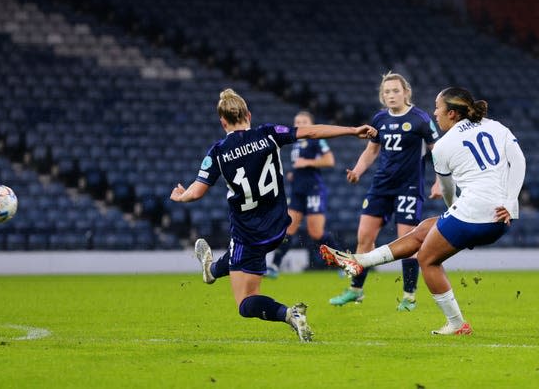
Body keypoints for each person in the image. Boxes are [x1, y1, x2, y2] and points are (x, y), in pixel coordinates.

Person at [170, 88, 376, 342]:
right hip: (279, 227)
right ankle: (211, 270)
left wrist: (182, 196)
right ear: (248, 114)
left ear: (222, 122)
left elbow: (197, 191)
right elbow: (311, 132)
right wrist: (352, 130)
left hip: (248, 234)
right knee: (242, 257)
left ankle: (289, 314)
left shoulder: (218, 152)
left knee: (245, 303)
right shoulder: (268, 134)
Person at [321, 87, 525, 335]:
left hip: (471, 214)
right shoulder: (495, 126)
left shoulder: (443, 146)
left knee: (428, 259)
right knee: (425, 229)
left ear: (451, 113)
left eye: (437, 108)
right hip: (498, 215)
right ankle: (359, 261)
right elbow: (519, 159)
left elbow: (449, 193)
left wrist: (454, 215)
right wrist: (511, 203)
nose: (434, 113)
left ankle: (457, 324)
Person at [329, 72, 440, 311]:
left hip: (409, 186)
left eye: (395, 91)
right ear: (382, 95)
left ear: (406, 92)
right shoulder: (379, 119)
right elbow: (371, 151)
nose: (391, 95)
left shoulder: (420, 119)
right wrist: (358, 171)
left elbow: (438, 151)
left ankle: (409, 296)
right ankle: (355, 290)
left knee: (407, 241)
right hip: (381, 185)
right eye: (387, 92)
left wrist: (439, 181)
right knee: (364, 238)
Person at [266, 111, 335, 279]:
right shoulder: (295, 142)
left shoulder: (317, 139)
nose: (300, 123)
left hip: (313, 190)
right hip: (297, 191)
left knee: (316, 233)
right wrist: (294, 173)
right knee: (287, 229)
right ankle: (274, 265)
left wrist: (307, 163)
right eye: (297, 121)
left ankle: (342, 261)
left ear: (311, 124)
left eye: (304, 121)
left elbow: (329, 160)